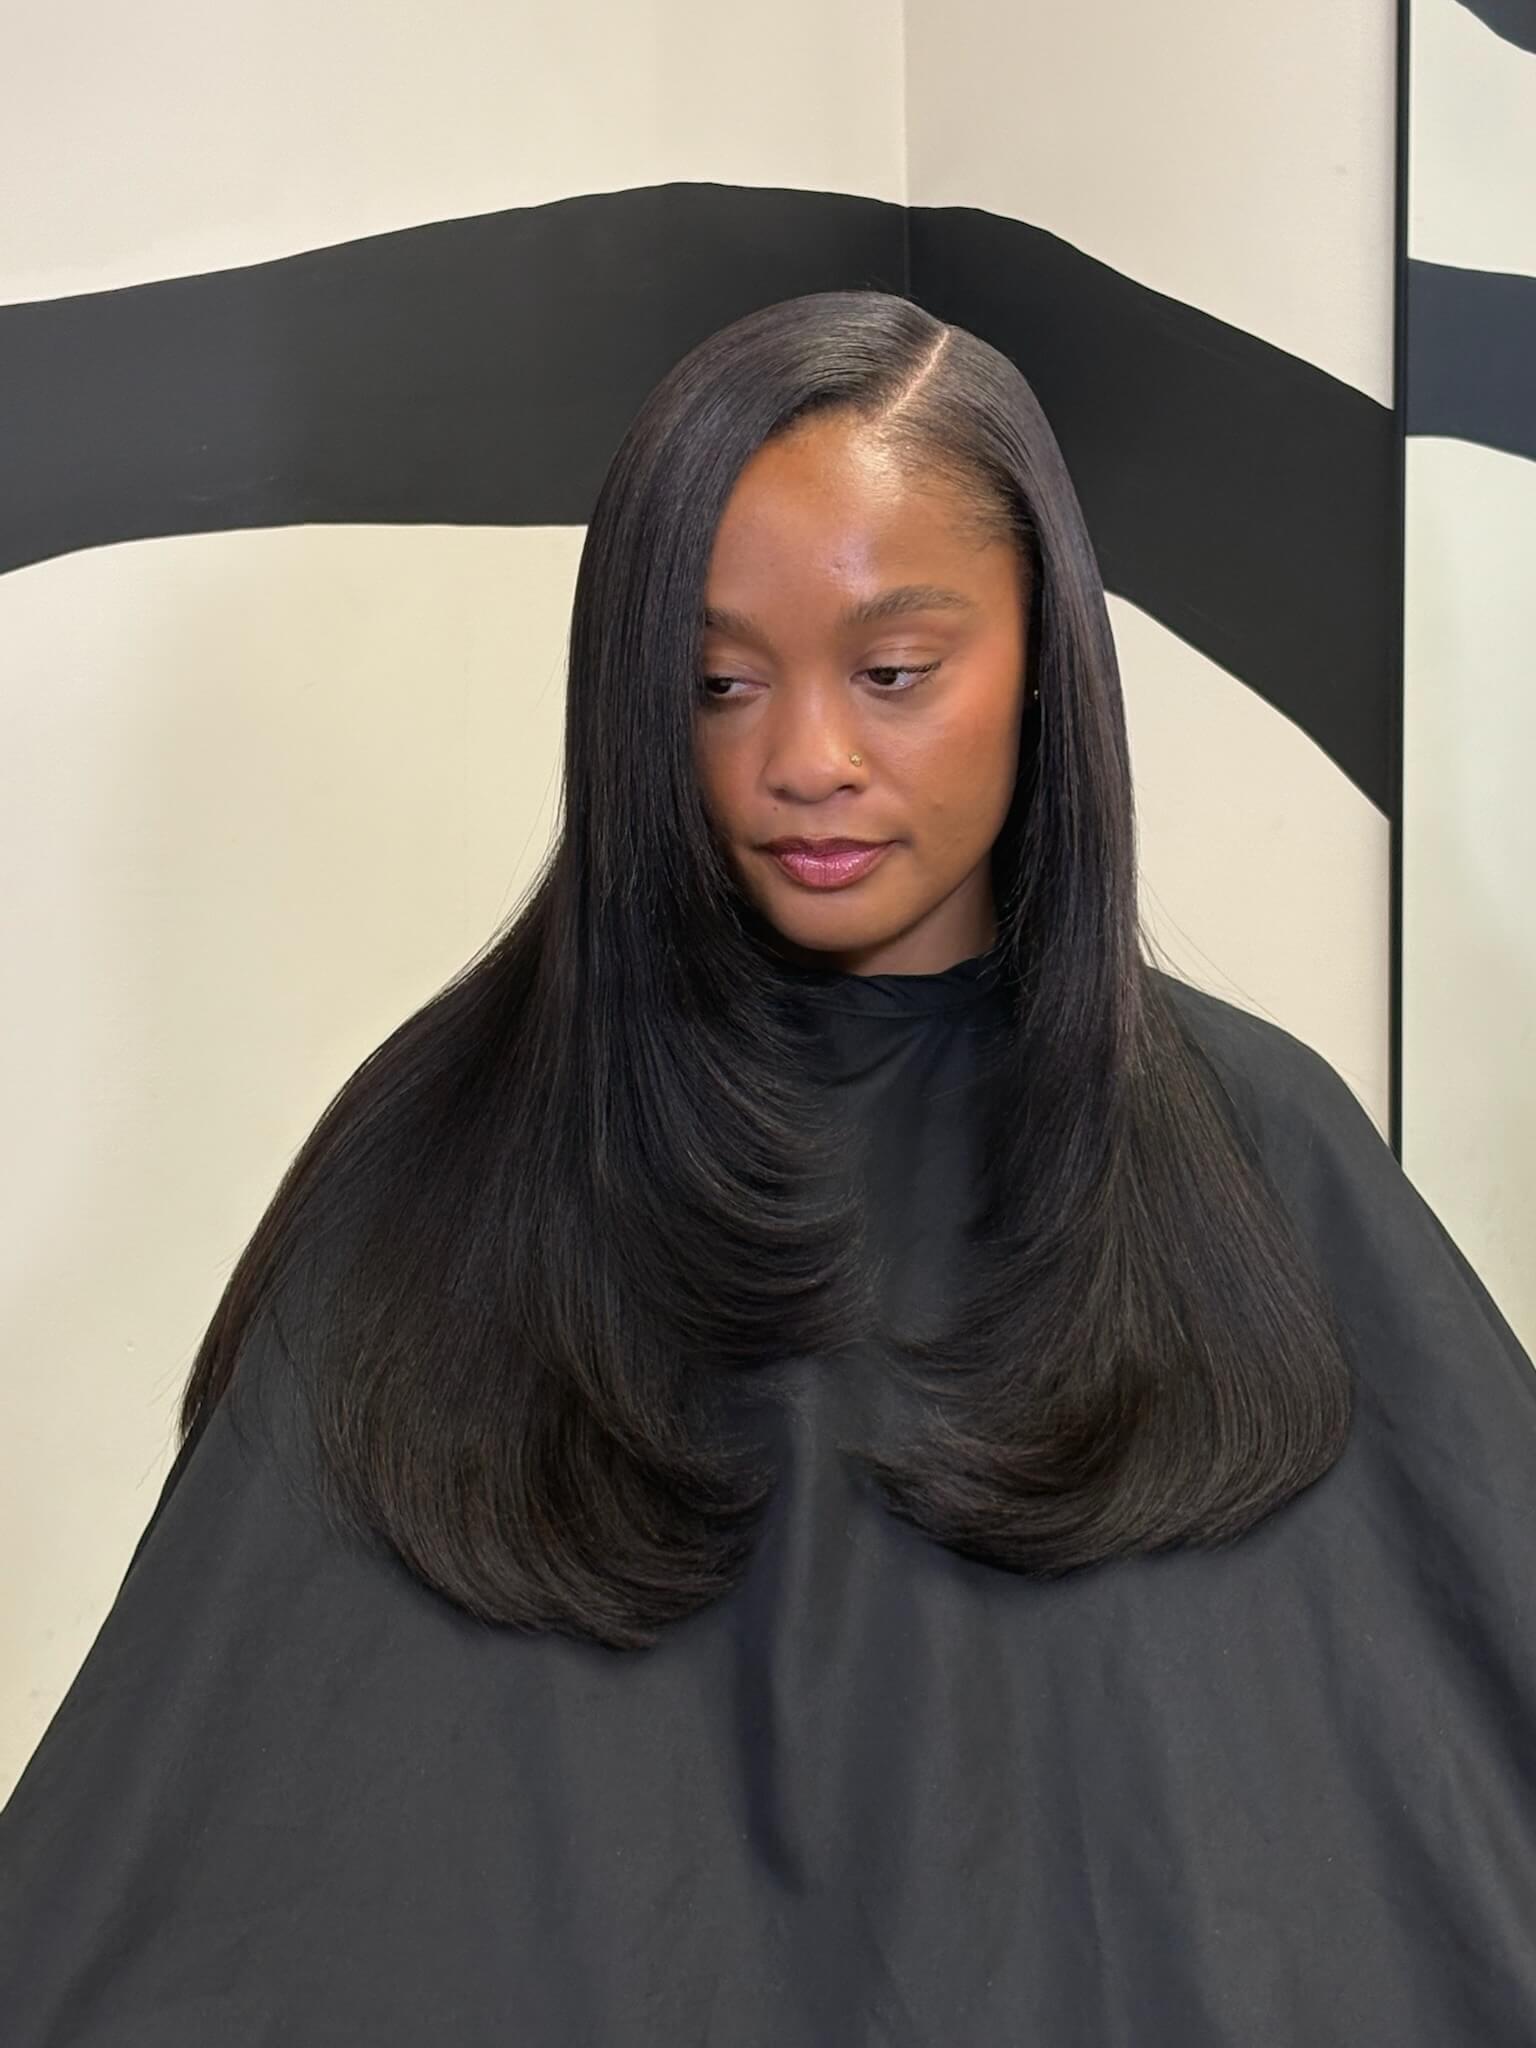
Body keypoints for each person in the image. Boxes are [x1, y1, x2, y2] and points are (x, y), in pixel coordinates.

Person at [3, 289, 1534, 2046]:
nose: (804, 761)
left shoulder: (1264, 1160)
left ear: (1049, 656)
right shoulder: (457, 1152)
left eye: (895, 672)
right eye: (718, 683)